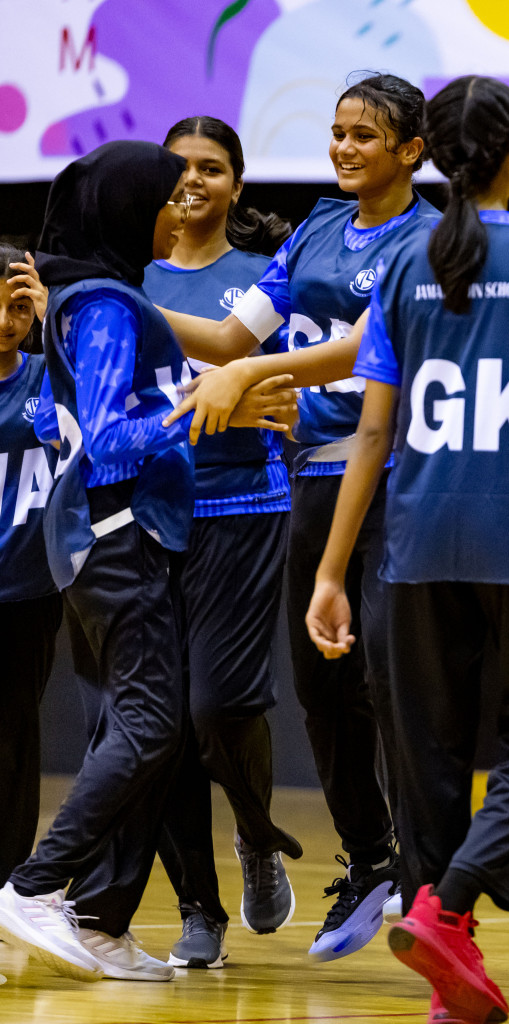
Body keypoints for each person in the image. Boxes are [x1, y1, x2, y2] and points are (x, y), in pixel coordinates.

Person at [302, 75, 509, 1024]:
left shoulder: (402, 265)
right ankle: (447, 909)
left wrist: (329, 568)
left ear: (430, 155)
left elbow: (372, 433)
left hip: (416, 540)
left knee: (426, 756)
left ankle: (449, 954)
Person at [159, 73, 438, 961]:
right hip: (314, 479)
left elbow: (367, 347)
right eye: (338, 132)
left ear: (412, 151)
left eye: (366, 135)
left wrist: (260, 377)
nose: (346, 147)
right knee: (324, 691)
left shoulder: (432, 240)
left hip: (401, 475)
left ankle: (432, 885)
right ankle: (368, 861)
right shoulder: (317, 227)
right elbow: (231, 340)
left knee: (396, 682)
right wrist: (127, 305)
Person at [0, 140, 194, 984]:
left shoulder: (85, 300)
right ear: (129, 208)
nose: (180, 211)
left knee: (144, 726)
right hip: (117, 536)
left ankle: (104, 921)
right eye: (168, 197)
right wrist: (203, 410)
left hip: (104, 539)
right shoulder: (108, 304)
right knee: (150, 725)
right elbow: (111, 443)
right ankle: (36, 888)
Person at [142, 115, 299, 969]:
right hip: (149, 513)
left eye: (212, 168)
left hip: (245, 503)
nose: (193, 179)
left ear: (237, 185)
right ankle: (198, 908)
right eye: (178, 166)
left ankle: (256, 835)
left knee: (216, 707)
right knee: (160, 720)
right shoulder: (122, 277)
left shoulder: (265, 279)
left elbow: (305, 379)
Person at [0, 248, 57, 906]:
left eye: (19, 307)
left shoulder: (49, 377)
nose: (6, 319)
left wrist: (51, 312)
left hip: (27, 595)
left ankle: (10, 881)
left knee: (13, 737)